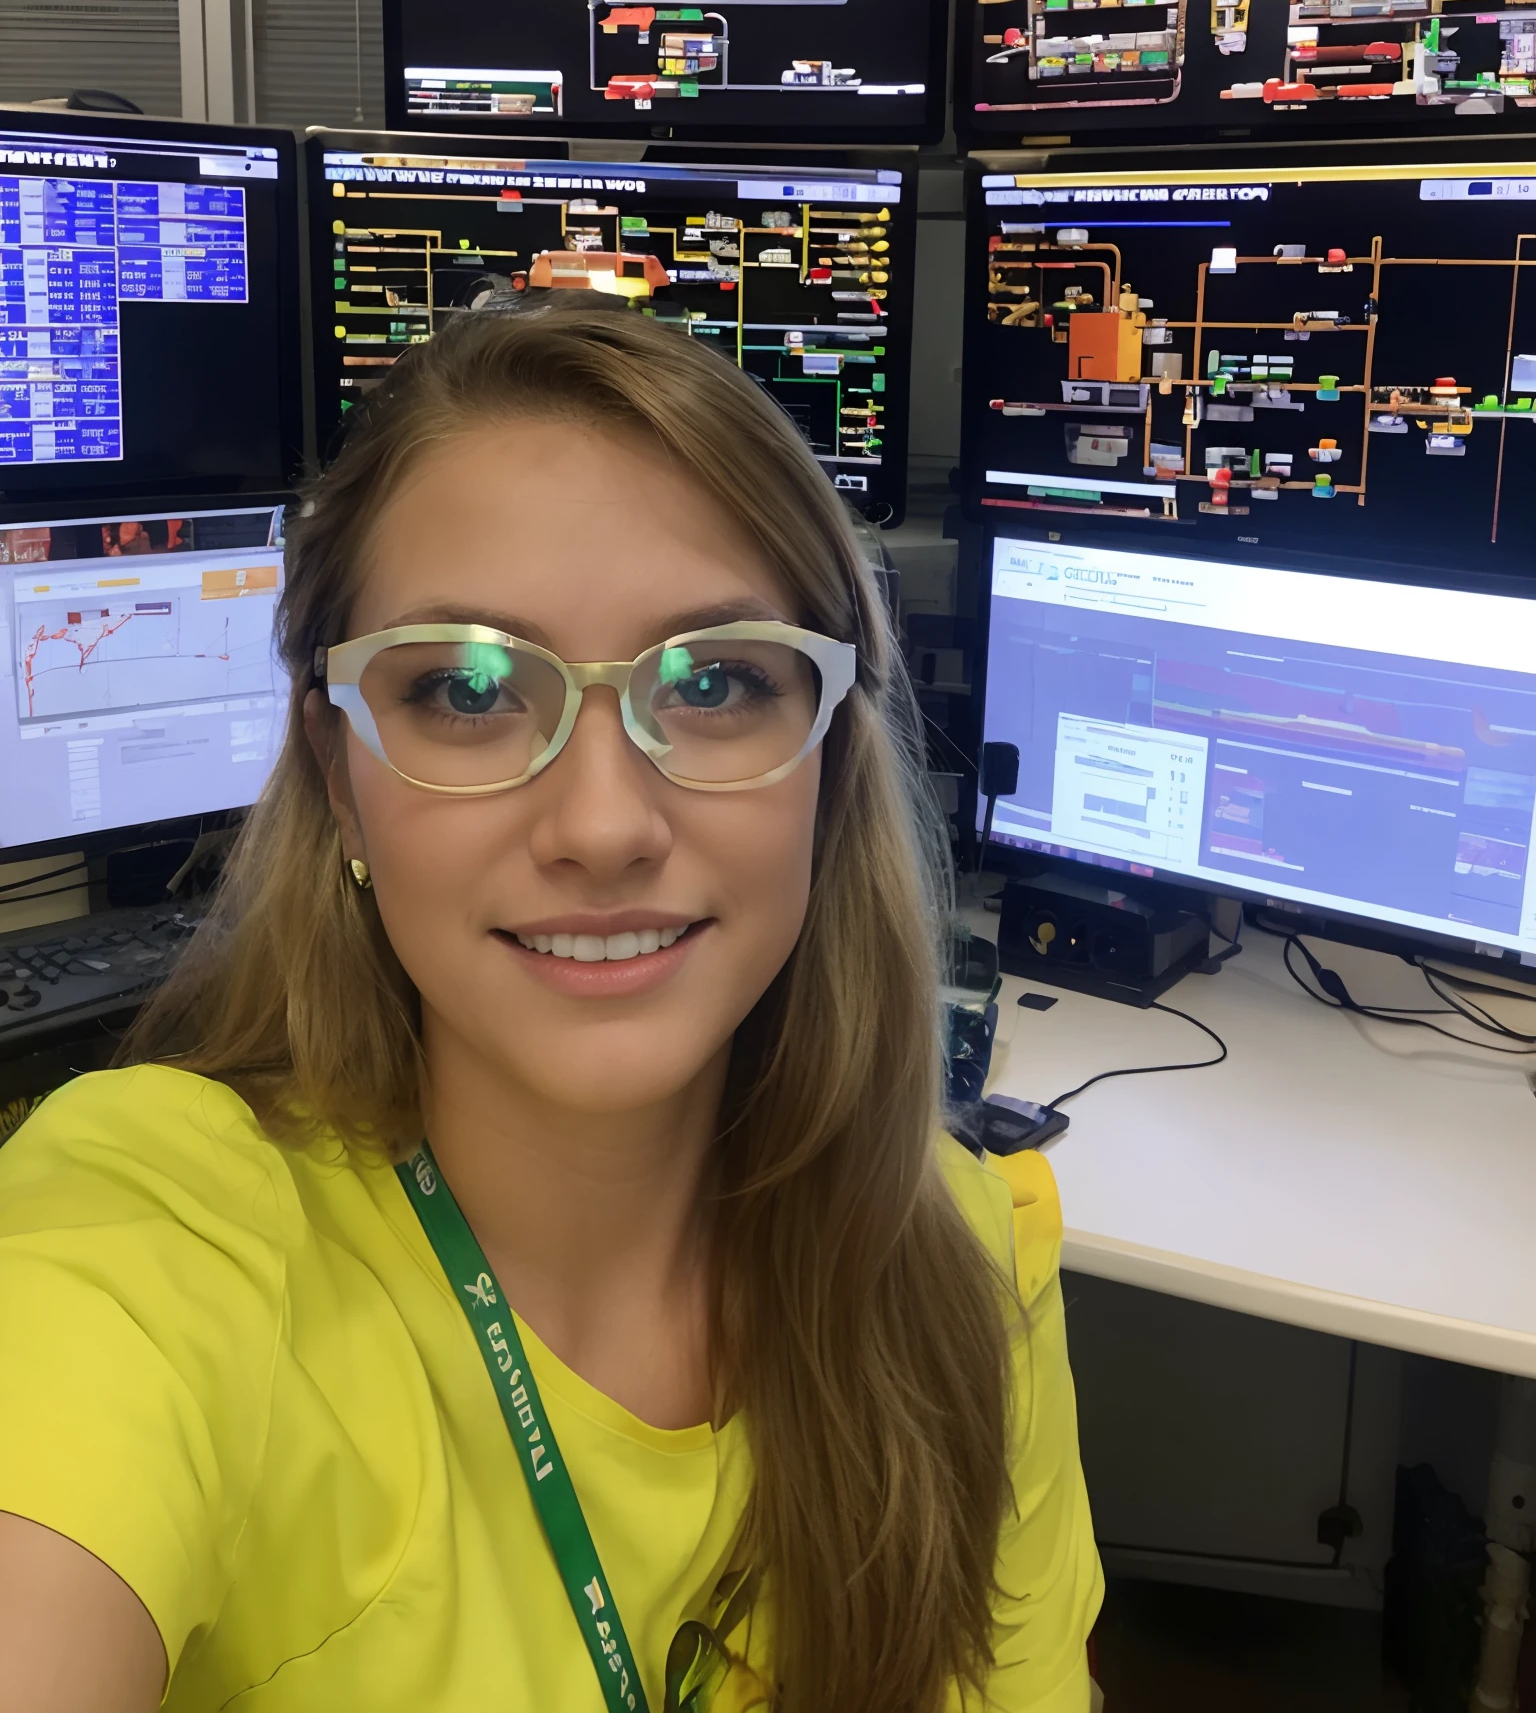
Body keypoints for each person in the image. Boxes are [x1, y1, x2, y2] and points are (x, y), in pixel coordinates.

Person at [0, 310, 1102, 1713]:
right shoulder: (152, 1238)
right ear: (342, 779)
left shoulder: (961, 1265)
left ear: (826, 763)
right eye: (465, 691)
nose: (600, 825)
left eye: (717, 682)